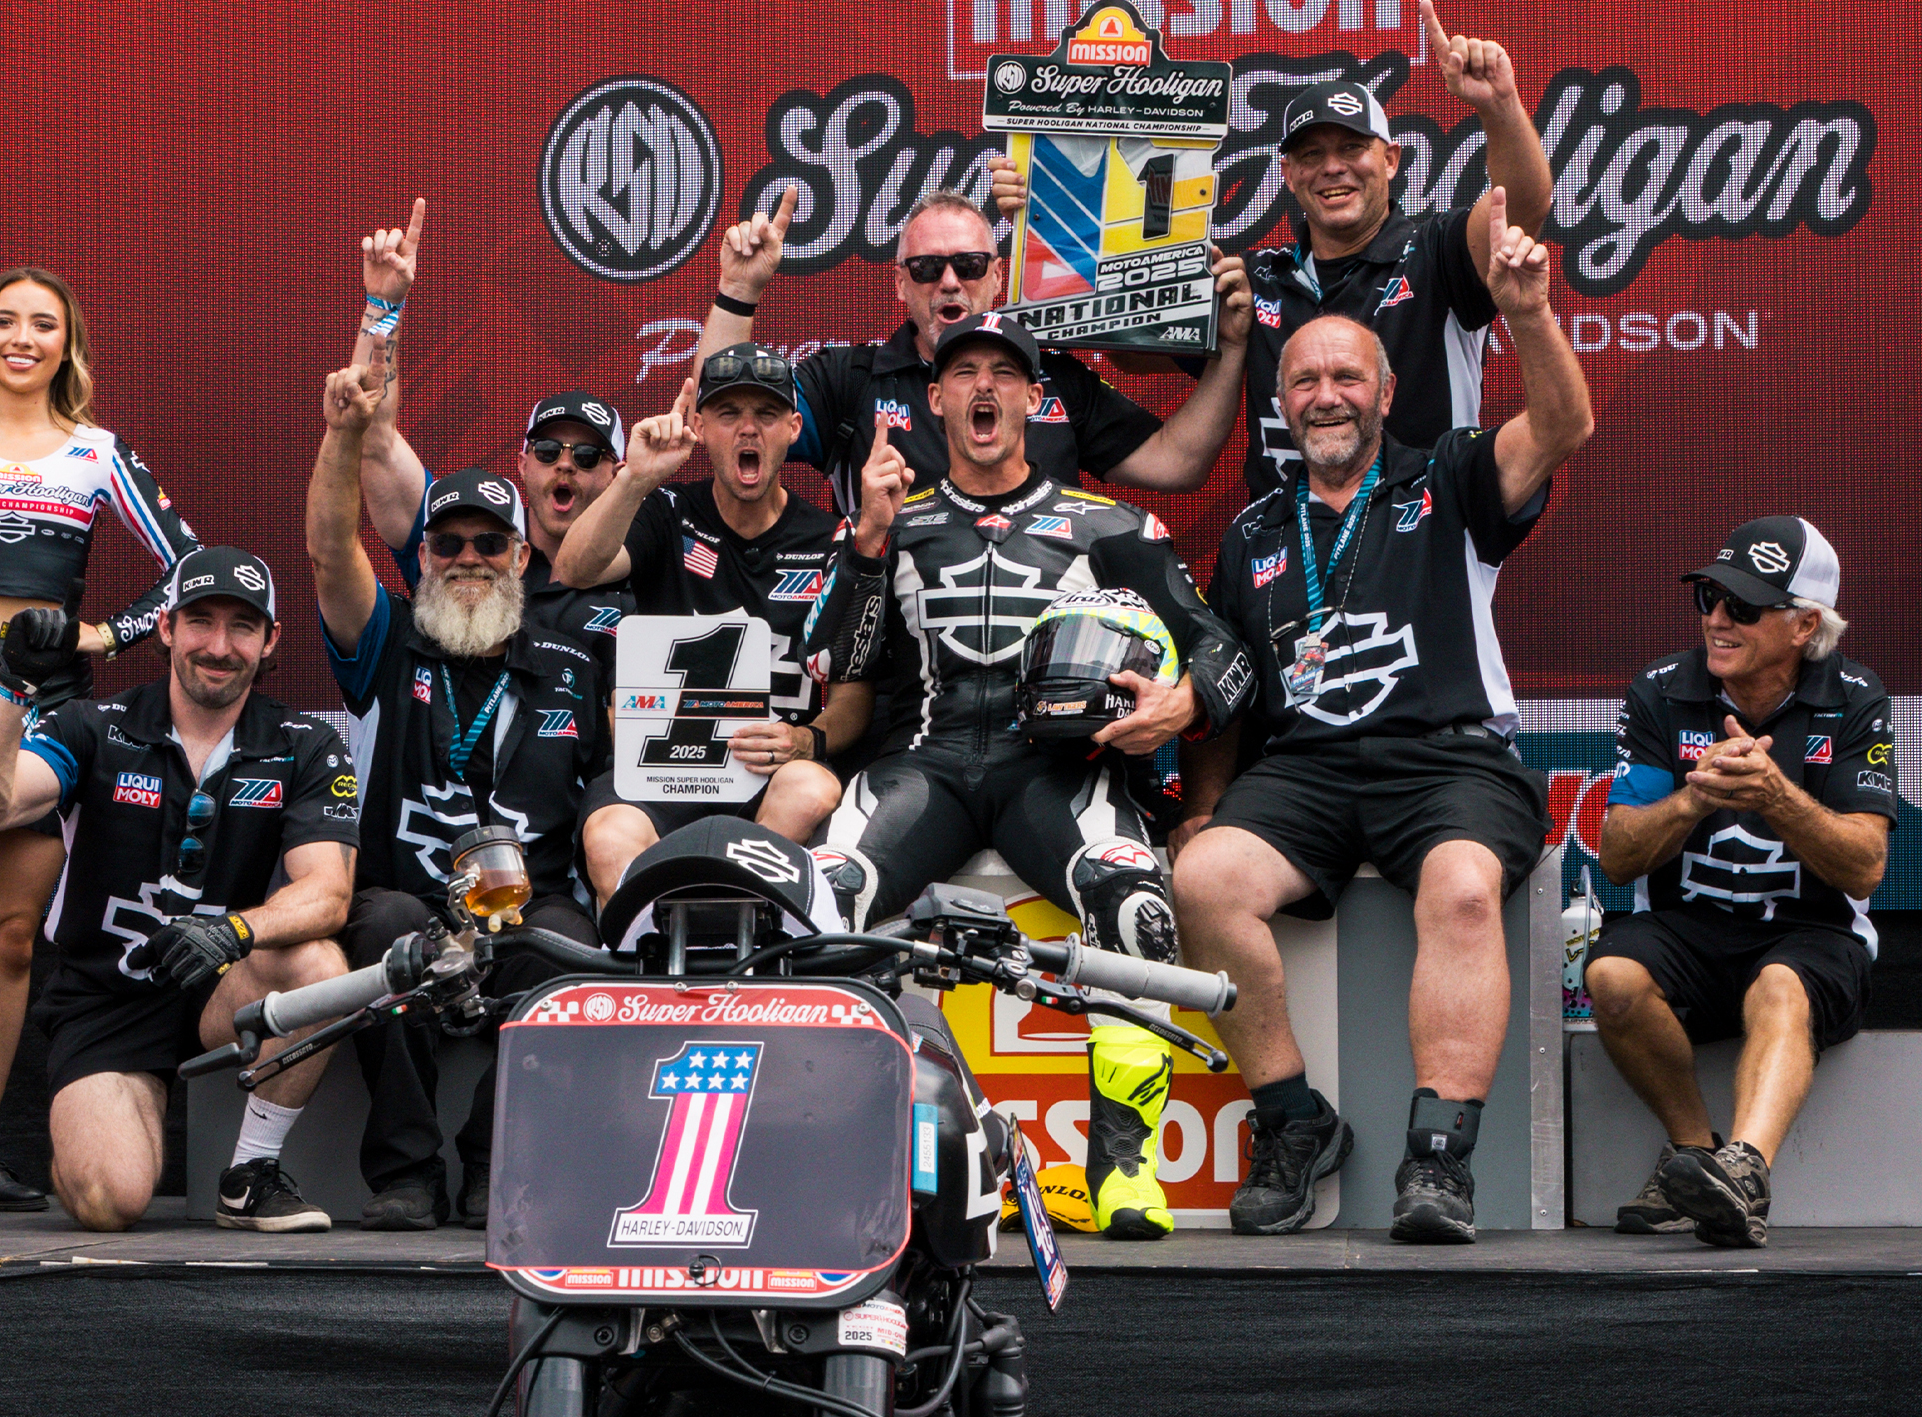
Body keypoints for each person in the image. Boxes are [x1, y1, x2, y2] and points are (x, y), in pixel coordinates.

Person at [1170, 188, 1593, 1244]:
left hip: (1445, 757)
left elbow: (1564, 425)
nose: (1324, 396)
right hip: (1306, 769)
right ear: (1279, 399)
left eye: (1344, 376)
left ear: (1386, 390)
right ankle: (1293, 1119)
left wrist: (1529, 312)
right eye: (1304, 378)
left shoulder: (1445, 475)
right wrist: (1207, 801)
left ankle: (1437, 1160)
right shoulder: (1254, 529)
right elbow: (1226, 691)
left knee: (1459, 889)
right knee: (1202, 878)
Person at [801, 312, 1255, 1240]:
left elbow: (1229, 654)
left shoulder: (1109, 524)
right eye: (961, 371)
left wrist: (1184, 704)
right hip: (922, 769)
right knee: (824, 898)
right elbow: (830, 663)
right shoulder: (896, 518)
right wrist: (868, 543)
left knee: (1135, 903)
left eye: (1003, 375)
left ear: (1033, 397)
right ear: (932, 399)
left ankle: (1125, 1167)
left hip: (1052, 775)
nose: (982, 388)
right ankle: (830, 1161)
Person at [0, 548, 357, 1232]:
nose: (219, 646)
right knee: (108, 1201)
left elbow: (328, 893)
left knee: (319, 967)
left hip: (222, 980)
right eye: (200, 621)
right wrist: (13, 685)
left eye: (242, 626)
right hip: (107, 999)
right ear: (165, 627)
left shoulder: (305, 741)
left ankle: (250, 1173)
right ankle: (94, 1131)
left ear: (271, 639)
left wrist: (233, 932)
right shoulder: (92, 724)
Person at [990, 0, 1553, 500]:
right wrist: (1050, 212)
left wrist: (1498, 106)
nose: (1332, 166)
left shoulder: (1436, 254)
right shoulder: (1258, 280)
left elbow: (1520, 209)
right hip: (1280, 553)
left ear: (1391, 160)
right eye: (1311, 154)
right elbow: (1132, 345)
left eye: (1352, 147)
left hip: (1415, 541)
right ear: (1286, 174)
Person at [307, 351, 606, 1230]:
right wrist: (343, 434)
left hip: (526, 910)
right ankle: (405, 1169)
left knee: (566, 944)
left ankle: (492, 1158)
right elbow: (330, 549)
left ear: (522, 554)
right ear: (423, 555)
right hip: (413, 904)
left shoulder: (572, 661)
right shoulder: (393, 638)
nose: (468, 558)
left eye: (488, 543)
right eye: (448, 542)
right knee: (383, 921)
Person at [0, 267, 200, 1218]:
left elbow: (189, 569)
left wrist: (105, 636)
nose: (21, 337)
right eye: (4, 321)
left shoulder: (95, 452)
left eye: (41, 323)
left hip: (46, 702)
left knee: (13, 936)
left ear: (65, 342)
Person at [1587, 518, 1891, 1248]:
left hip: (1812, 933)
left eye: (1743, 606)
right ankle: (1696, 1157)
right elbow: (1617, 857)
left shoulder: (1854, 697)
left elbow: (1864, 865)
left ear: (1804, 624)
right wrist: (1695, 797)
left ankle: (1745, 1169)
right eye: (1709, 596)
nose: (1716, 619)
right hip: (1687, 928)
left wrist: (1775, 796)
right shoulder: (1662, 689)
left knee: (1779, 985)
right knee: (1610, 974)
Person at [699, 184, 1251, 516]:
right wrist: (740, 291)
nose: (947, 282)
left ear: (996, 277)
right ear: (899, 285)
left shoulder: (1053, 377)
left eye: (967, 265)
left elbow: (1179, 463)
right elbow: (716, 410)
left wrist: (1229, 349)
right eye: (925, 268)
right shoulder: (852, 379)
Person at [554, 346, 872, 902]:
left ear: (793, 428)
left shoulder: (832, 540)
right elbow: (574, 569)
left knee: (811, 787)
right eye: (728, 415)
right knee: (608, 838)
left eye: (766, 416)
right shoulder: (666, 509)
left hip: (769, 775)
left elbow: (854, 694)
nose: (748, 431)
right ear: (699, 426)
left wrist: (805, 739)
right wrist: (634, 480)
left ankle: (731, 922)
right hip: (660, 770)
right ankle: (644, 973)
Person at [345, 201, 634, 693]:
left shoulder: (646, 561)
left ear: (618, 474)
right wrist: (383, 309)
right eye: (547, 451)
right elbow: (373, 440)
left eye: (586, 457)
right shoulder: (465, 537)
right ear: (522, 464)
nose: (565, 464)